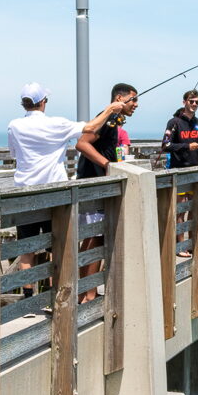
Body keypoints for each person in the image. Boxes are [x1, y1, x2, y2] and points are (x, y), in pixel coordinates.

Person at [7, 82, 125, 304]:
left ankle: (29, 300)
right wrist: (110, 110)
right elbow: (90, 128)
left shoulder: (14, 126)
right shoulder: (56, 124)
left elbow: (13, 152)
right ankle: (56, 301)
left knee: (27, 250)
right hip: (55, 194)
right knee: (58, 248)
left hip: (23, 194)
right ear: (43, 102)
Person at [74, 83, 139, 302]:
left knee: (93, 238)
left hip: (95, 182)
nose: (136, 105)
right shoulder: (108, 119)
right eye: (133, 100)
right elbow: (82, 144)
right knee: (97, 238)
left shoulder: (112, 120)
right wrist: (107, 164)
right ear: (119, 98)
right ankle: (89, 294)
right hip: (94, 183)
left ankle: (84, 292)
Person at [162, 90, 198, 257]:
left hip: (196, 171)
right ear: (184, 102)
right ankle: (180, 246)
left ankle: (192, 244)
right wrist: (186, 146)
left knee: (194, 210)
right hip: (179, 171)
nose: (194, 104)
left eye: (197, 102)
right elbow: (165, 145)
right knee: (180, 210)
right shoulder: (174, 122)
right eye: (191, 101)